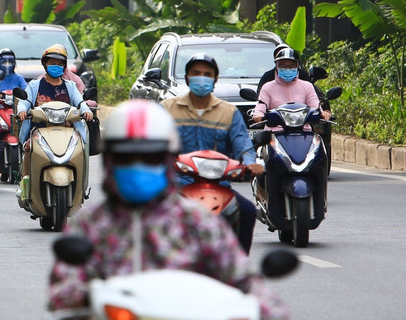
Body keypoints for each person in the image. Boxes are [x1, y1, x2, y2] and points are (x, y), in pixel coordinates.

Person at [47, 100, 289, 320]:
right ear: (110, 162)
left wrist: (266, 309)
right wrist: (87, 295)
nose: (138, 166)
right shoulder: (89, 226)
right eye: (126, 159)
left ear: (166, 161)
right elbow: (60, 292)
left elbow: (243, 278)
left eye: (150, 158)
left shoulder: (197, 222)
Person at [160, 52, 260, 253]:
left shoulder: (228, 112)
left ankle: (238, 271)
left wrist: (251, 163)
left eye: (207, 74)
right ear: (187, 77)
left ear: (215, 79)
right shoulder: (167, 108)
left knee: (248, 211)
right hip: (175, 185)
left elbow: (243, 145)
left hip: (218, 185)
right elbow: (153, 142)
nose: (201, 77)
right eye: (196, 73)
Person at [16, 44, 92, 146]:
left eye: (60, 64)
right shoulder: (34, 85)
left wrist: (86, 110)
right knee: (29, 149)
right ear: (45, 63)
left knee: (79, 149)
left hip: (68, 133)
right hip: (39, 133)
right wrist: (22, 110)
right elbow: (24, 102)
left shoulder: (71, 86)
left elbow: (80, 101)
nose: (56, 66)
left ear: (64, 66)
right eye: (52, 63)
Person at [253, 47, 331, 122]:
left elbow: (315, 107)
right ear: (276, 66)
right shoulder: (267, 87)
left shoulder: (307, 86)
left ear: (297, 66)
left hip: (303, 130)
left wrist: (323, 114)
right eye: (283, 66)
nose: (287, 69)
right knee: (261, 136)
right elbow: (261, 107)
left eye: (292, 66)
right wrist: (258, 115)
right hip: (274, 130)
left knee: (316, 136)